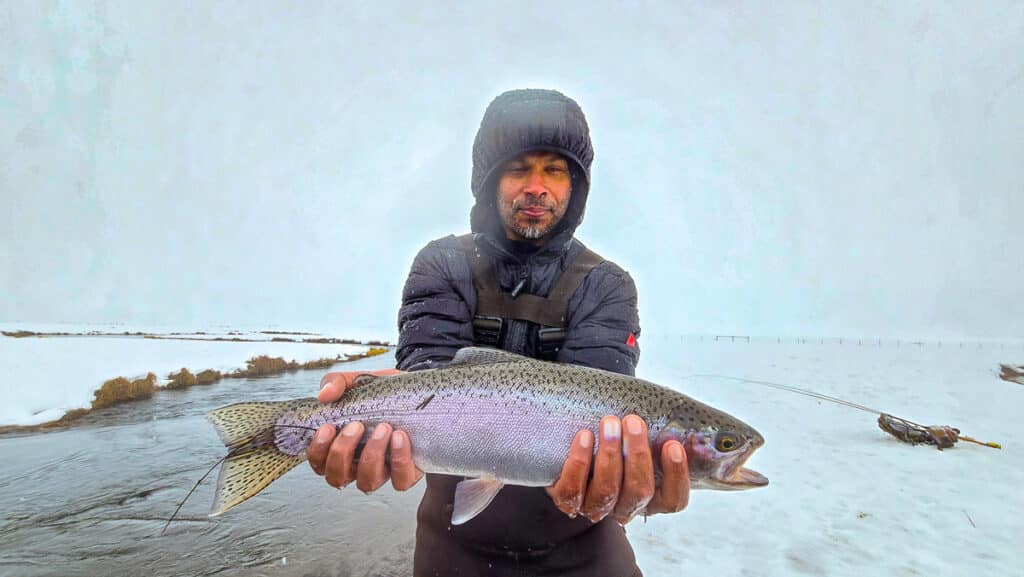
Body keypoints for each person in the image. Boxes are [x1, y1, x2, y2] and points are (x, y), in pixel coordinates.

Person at [308, 89, 690, 576]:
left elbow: (600, 396)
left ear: (576, 185)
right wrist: (374, 406)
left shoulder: (607, 284)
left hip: (583, 540)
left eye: (554, 170)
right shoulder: (442, 264)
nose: (536, 187)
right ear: (489, 181)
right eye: (518, 169)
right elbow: (426, 376)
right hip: (453, 541)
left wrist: (627, 483)